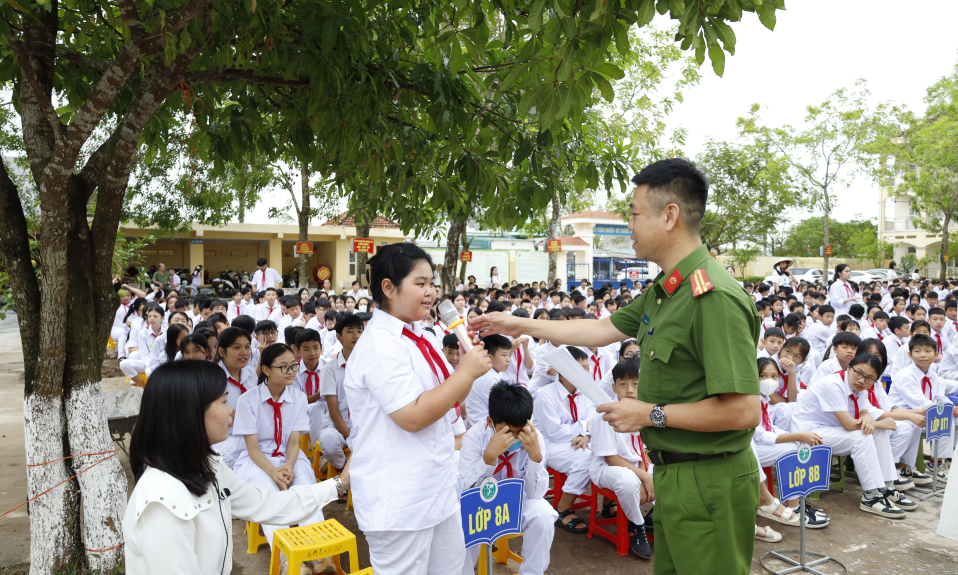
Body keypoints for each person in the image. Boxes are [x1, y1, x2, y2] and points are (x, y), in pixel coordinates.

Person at [471, 158, 762, 575]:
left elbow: (744, 410)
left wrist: (649, 414)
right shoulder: (667, 290)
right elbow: (601, 329)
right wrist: (516, 322)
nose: (630, 225)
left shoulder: (713, 297)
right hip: (676, 473)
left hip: (710, 477)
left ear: (669, 216)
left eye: (635, 214)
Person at [343, 243, 491, 575]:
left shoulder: (419, 334)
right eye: (420, 283)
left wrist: (469, 369)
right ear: (388, 288)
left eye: (432, 284)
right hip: (401, 499)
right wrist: (465, 372)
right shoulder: (381, 345)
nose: (431, 292)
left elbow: (448, 398)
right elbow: (411, 416)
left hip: (436, 487)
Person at [123, 360, 348, 575]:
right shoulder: (162, 501)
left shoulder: (208, 465)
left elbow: (267, 504)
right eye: (223, 401)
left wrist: (340, 483)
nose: (231, 409)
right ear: (189, 413)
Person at [792, 353, 917, 518]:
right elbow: (849, 424)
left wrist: (868, 419)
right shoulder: (833, 384)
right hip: (809, 433)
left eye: (869, 378)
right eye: (858, 373)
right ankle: (871, 497)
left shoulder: (859, 387)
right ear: (849, 367)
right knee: (862, 436)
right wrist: (879, 423)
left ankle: (885, 487)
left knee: (877, 432)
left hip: (831, 430)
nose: (862, 380)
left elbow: (864, 411)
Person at [458, 382, 557, 575]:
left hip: (514, 505)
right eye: (507, 432)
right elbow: (464, 489)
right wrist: (487, 460)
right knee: (462, 523)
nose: (513, 438)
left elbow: (535, 494)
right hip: (480, 507)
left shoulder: (533, 439)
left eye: (519, 431)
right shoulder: (474, 438)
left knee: (543, 513)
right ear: (489, 422)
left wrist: (536, 458)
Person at [590, 358, 655, 558]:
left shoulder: (648, 411)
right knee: (627, 481)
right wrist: (644, 477)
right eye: (623, 384)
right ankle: (637, 524)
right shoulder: (606, 414)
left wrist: (647, 473)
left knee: (671, 470)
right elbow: (611, 458)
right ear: (614, 387)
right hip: (607, 469)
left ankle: (655, 517)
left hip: (638, 464)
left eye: (635, 384)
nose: (629, 389)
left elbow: (649, 451)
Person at [318, 314, 364, 473]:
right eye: (350, 331)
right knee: (329, 441)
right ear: (339, 337)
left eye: (360, 331)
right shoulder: (330, 369)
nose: (356, 335)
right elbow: (333, 411)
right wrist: (351, 437)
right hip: (337, 425)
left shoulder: (369, 365)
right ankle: (344, 470)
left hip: (364, 422)